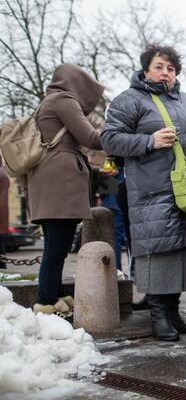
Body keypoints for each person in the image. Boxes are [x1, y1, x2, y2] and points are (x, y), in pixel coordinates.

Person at [102, 45, 186, 341]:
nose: (166, 73)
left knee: (180, 252)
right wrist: (149, 141)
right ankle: (158, 315)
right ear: (146, 69)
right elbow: (110, 139)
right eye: (160, 67)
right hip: (152, 190)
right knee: (159, 254)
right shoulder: (130, 99)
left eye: (171, 69)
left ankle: (173, 311)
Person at [30, 64, 105, 316]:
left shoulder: (47, 101)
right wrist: (117, 133)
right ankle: (47, 301)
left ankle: (54, 293)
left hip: (49, 183)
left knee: (56, 246)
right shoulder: (63, 99)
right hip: (61, 184)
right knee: (56, 247)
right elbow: (90, 138)